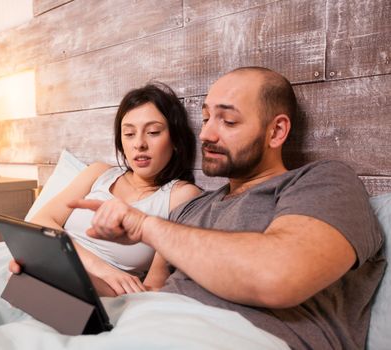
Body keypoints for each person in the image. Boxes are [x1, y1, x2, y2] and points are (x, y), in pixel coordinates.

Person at [70, 67, 386, 349]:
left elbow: (277, 276)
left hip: (235, 337)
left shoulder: (323, 181)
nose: (206, 134)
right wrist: (66, 280)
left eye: (228, 120)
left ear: (276, 131)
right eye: (206, 118)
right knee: (28, 308)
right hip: (146, 325)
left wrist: (146, 227)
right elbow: (146, 293)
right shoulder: (191, 210)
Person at [11, 82, 201, 297]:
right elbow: (39, 221)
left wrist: (97, 278)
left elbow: (154, 286)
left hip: (98, 293)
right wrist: (103, 270)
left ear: (175, 139)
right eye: (129, 134)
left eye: (153, 132)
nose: (139, 144)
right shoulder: (99, 173)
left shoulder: (181, 196)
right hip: (46, 266)